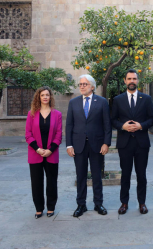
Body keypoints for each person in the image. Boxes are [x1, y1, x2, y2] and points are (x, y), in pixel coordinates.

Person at [111, 69, 153, 215]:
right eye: (129, 78)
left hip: (142, 143)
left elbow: (152, 118)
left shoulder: (146, 99)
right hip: (124, 143)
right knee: (125, 174)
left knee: (141, 174)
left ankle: (142, 203)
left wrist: (141, 125)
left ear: (138, 81)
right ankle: (124, 203)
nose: (132, 81)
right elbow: (112, 120)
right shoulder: (118, 100)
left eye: (134, 79)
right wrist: (122, 126)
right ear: (125, 81)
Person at [66, 74, 112, 217]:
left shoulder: (102, 102)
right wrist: (69, 145)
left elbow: (107, 124)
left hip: (97, 145)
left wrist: (106, 143)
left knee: (97, 175)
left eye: (84, 84)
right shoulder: (73, 103)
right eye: (80, 84)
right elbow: (69, 125)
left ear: (92, 86)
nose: (82, 86)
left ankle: (98, 203)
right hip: (78, 145)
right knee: (80, 176)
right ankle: (81, 204)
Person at [25, 86, 62, 219]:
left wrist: (50, 150)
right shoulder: (32, 114)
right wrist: (38, 149)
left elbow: (59, 135)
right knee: (36, 182)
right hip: (35, 154)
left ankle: (51, 207)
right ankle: (39, 208)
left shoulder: (57, 114)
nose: (45, 97)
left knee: (52, 182)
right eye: (42, 95)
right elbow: (28, 135)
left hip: (52, 154)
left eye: (47, 95)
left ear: (50, 97)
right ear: (38, 97)